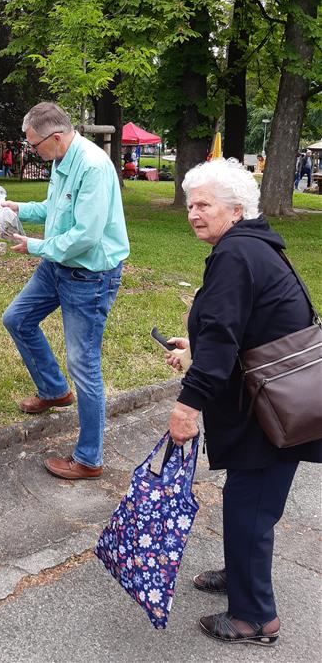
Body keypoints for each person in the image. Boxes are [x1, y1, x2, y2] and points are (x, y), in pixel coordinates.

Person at [163, 158, 321, 646]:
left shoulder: (236, 255)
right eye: (190, 204)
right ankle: (240, 575)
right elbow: (242, 326)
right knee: (253, 503)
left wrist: (186, 408)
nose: (193, 213)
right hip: (281, 399)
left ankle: (255, 619)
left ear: (235, 209)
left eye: (204, 204)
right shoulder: (254, 245)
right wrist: (195, 347)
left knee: (249, 506)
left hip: (269, 408)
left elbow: (224, 336)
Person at [1, 102, 129, 480]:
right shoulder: (60, 159)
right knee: (17, 319)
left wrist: (36, 246)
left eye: (33, 145)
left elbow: (86, 236)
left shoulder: (92, 166)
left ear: (55, 137)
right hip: (58, 266)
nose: (31, 151)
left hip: (89, 276)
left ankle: (89, 459)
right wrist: (18, 207)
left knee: (84, 365)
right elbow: (56, 210)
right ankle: (54, 391)